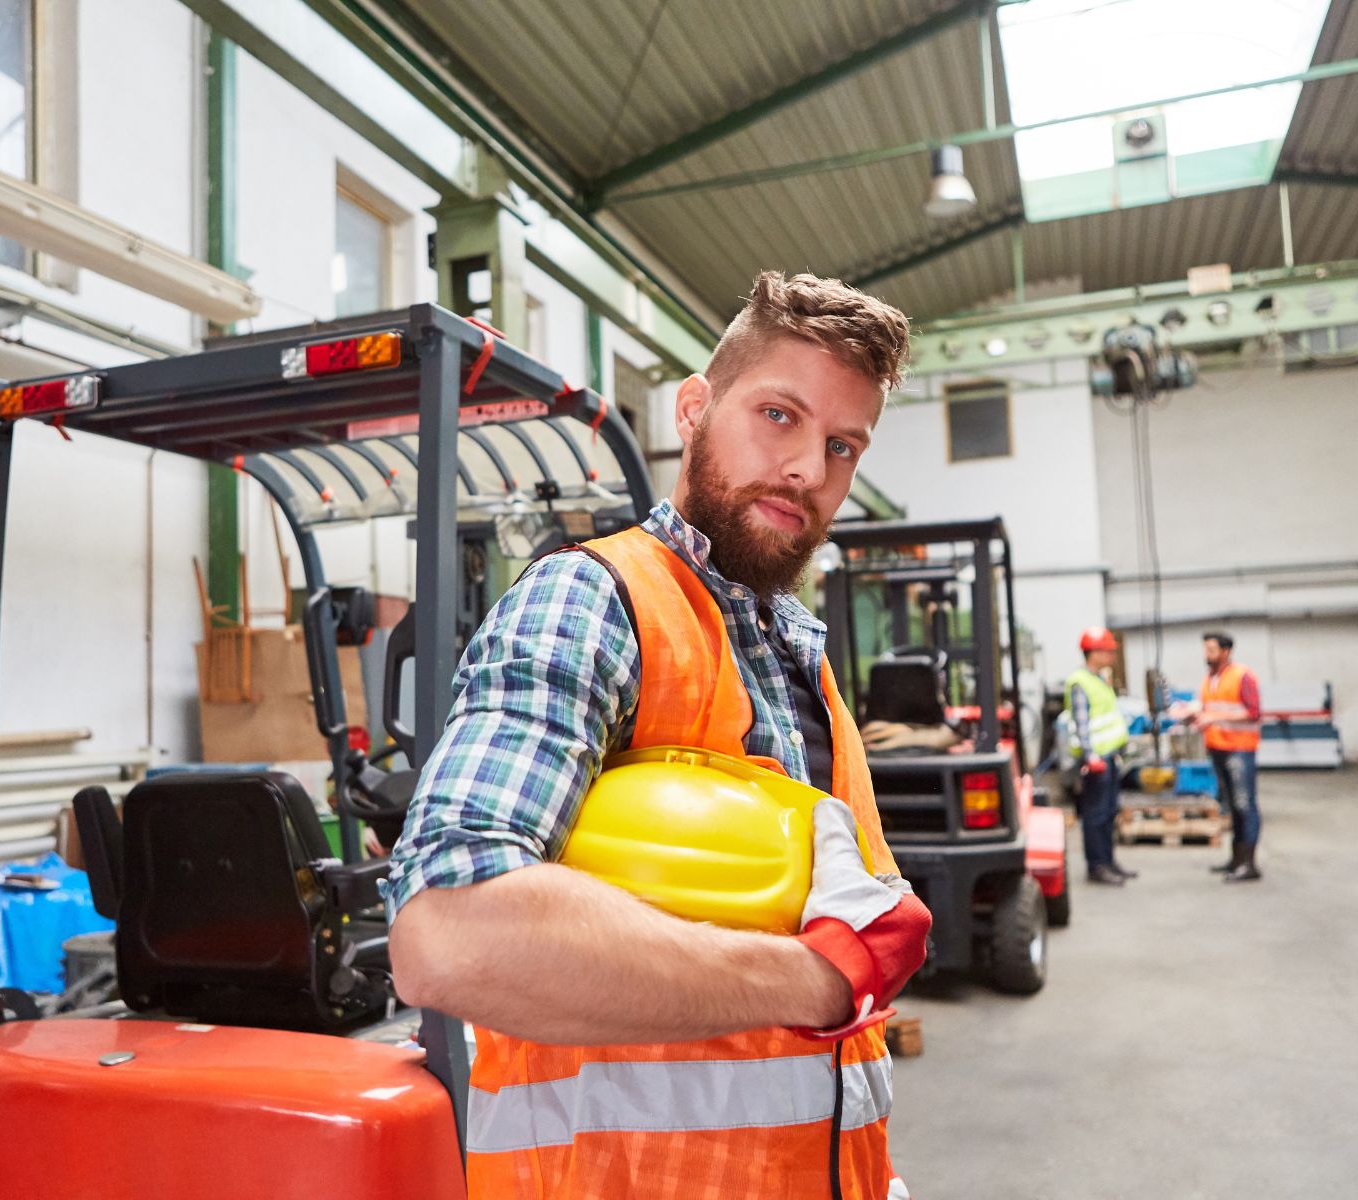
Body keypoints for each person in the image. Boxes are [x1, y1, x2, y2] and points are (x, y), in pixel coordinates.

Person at [382, 271, 929, 1200]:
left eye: (842, 445)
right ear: (693, 409)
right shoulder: (593, 599)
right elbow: (446, 929)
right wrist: (819, 981)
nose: (808, 470)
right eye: (779, 416)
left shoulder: (805, 660)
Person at [1063, 628, 1136, 885]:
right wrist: (1090, 755)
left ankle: (1108, 861)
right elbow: (1082, 723)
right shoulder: (1080, 682)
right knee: (1095, 814)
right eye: (1108, 650)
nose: (1112, 655)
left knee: (1108, 812)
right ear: (1094, 653)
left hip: (1110, 755)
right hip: (1096, 760)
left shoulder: (1100, 678)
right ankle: (1097, 866)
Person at [1197, 631, 1262, 882]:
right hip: (1218, 748)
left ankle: (1248, 863)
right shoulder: (1210, 678)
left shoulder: (1242, 676)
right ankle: (1236, 859)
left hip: (1239, 749)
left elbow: (1253, 712)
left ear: (1226, 651)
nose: (1207, 655)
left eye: (1211, 650)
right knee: (1234, 806)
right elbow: (1211, 710)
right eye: (1205, 650)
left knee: (1245, 805)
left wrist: (1214, 717)